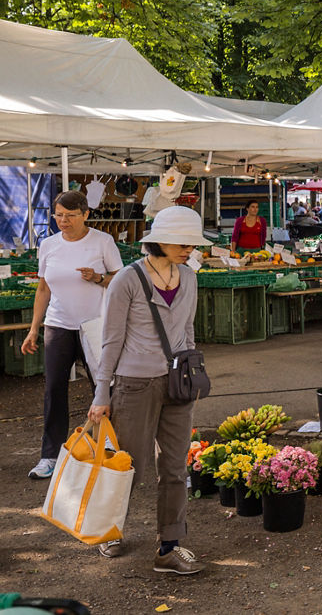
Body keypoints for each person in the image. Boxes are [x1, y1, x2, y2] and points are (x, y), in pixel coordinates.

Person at [88, 206, 210, 573]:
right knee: (129, 466)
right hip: (134, 384)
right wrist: (101, 393)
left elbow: (187, 330)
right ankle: (108, 530)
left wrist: (191, 370)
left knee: (175, 467)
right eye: (183, 242)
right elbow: (110, 341)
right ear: (158, 240)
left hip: (177, 383)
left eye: (192, 243)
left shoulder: (189, 277)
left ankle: (169, 547)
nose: (189, 249)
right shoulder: (127, 279)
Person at [22, 190, 124, 480]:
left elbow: (121, 279)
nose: (63, 221)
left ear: (86, 214)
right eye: (58, 215)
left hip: (95, 324)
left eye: (70, 215)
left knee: (102, 385)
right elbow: (43, 288)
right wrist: (34, 328)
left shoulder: (103, 242)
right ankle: (50, 455)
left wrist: (98, 278)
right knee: (54, 389)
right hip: (58, 324)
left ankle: (109, 443)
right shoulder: (49, 244)